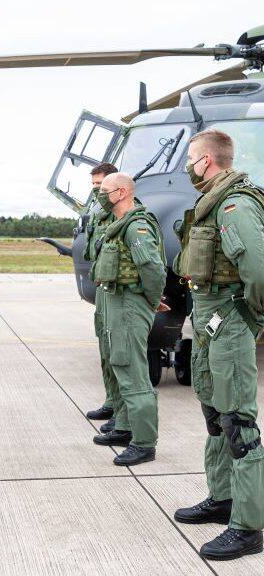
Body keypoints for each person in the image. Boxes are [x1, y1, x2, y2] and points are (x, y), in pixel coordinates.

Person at [172, 129, 264, 561]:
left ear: (207, 160)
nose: (187, 164)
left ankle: (248, 526)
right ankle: (222, 499)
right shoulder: (210, 204)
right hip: (209, 322)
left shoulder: (235, 204)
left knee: (239, 425)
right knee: (214, 415)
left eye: (191, 156)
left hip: (227, 321)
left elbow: (259, 272)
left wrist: (250, 319)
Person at [91, 173, 166, 466]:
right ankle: (124, 426)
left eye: (104, 190)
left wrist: (149, 301)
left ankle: (144, 442)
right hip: (116, 300)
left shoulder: (136, 227)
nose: (99, 194)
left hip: (129, 305)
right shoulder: (118, 225)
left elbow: (154, 270)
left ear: (121, 192)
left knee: (133, 370)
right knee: (117, 363)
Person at [84, 162, 120, 433]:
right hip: (103, 289)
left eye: (101, 185)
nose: (96, 190)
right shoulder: (98, 211)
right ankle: (111, 401)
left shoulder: (124, 211)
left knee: (119, 353)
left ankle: (122, 412)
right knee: (105, 350)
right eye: (94, 185)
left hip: (119, 292)